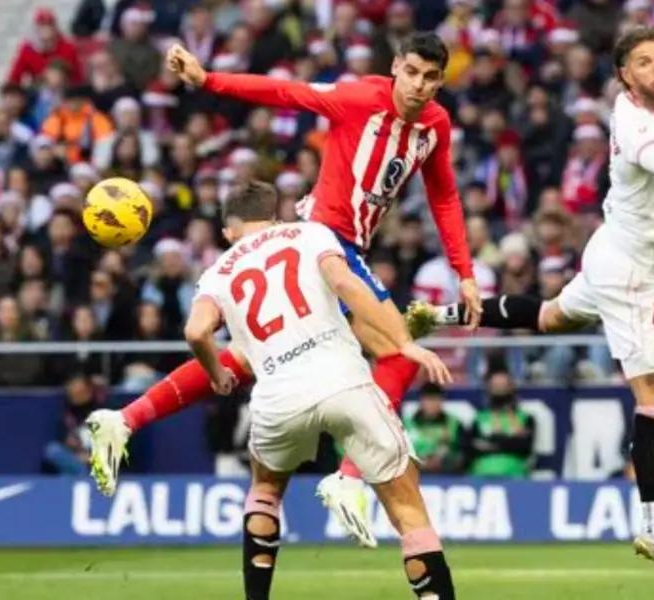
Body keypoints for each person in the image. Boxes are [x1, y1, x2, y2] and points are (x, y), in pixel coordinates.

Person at [430, 0, 654, 579]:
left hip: (609, 250)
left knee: (549, 316)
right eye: (644, 63)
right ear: (624, 76)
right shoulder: (635, 123)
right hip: (629, 273)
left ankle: (444, 313)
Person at [115, 33, 484, 530]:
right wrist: (208, 81)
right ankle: (350, 477)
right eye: (412, 72)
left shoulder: (435, 125)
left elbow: (444, 197)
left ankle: (124, 419)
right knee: (398, 351)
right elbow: (284, 92)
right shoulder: (358, 99)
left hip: (339, 246)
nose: (418, 86)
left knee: (251, 356)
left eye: (430, 78)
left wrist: (465, 272)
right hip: (324, 241)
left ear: (441, 82)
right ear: (396, 66)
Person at [85, 182, 457, 599]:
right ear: (276, 216)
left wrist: (215, 371)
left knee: (265, 490)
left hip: (279, 397)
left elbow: (195, 331)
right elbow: (348, 286)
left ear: (228, 231)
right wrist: (403, 342)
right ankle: (358, 493)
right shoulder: (311, 233)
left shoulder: (218, 272)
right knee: (407, 509)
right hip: (346, 383)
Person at [467, 370, 535, 479]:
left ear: (511, 388)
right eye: (496, 385)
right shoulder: (479, 418)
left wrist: (490, 442)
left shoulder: (525, 418)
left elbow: (524, 448)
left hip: (514, 476)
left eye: (503, 385)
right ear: (489, 388)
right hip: (480, 477)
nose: (499, 389)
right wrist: (510, 440)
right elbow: (470, 449)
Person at [405, 383, 466, 475]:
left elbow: (462, 452)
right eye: (429, 399)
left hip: (446, 474)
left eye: (436, 399)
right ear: (421, 401)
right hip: (414, 474)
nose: (432, 404)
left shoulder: (454, 424)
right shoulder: (407, 424)